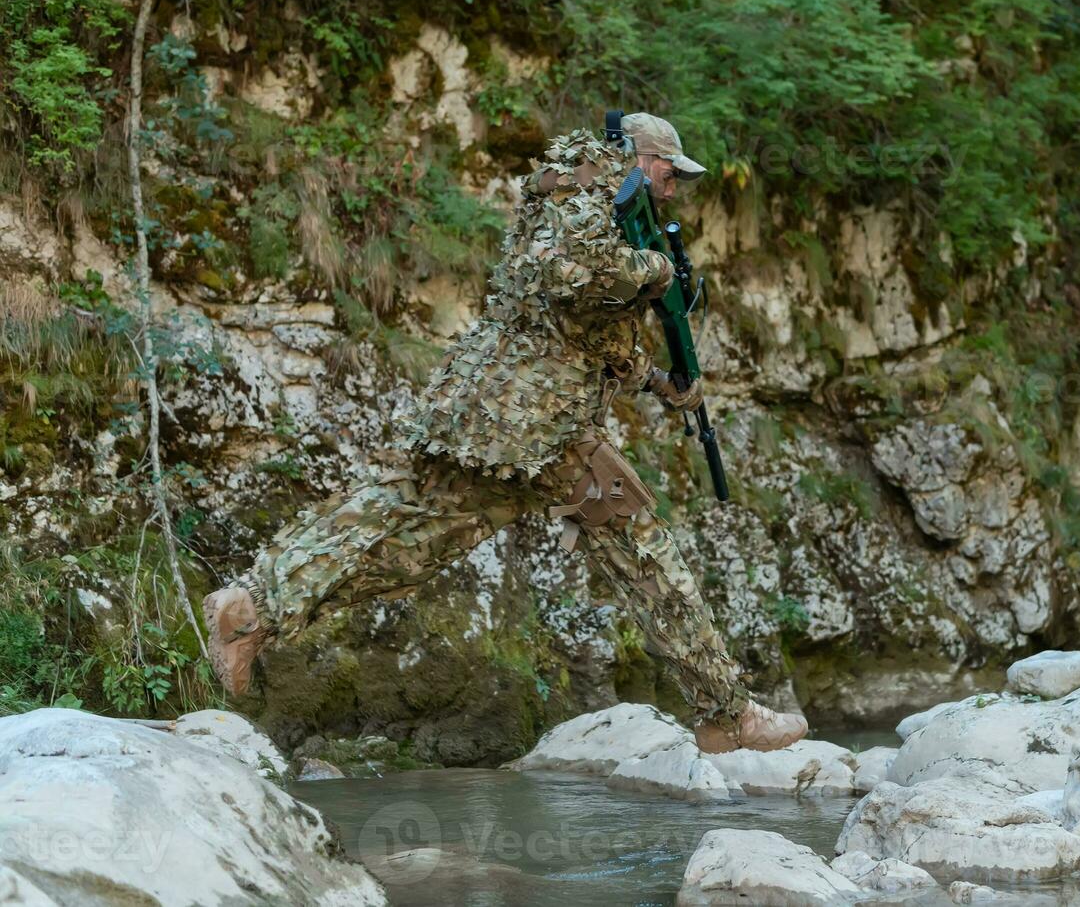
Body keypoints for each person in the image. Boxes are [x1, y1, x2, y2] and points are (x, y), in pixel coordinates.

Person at [202, 113, 807, 753]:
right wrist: (656, 271)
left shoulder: (583, 192)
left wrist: (659, 379)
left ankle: (253, 610)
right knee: (643, 553)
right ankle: (728, 715)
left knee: (401, 532)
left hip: (493, 412)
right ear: (638, 155)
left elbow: (578, 330)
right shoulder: (590, 182)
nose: (672, 188)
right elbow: (570, 277)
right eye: (667, 170)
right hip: (538, 421)